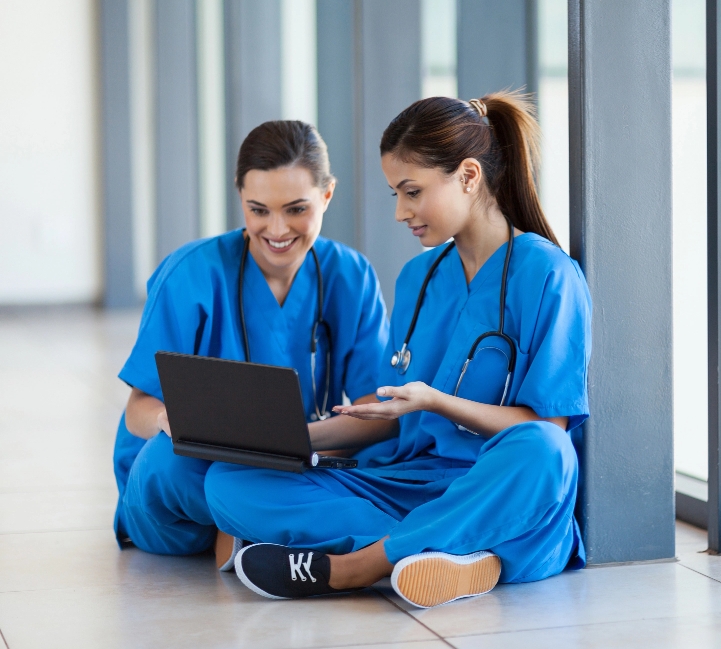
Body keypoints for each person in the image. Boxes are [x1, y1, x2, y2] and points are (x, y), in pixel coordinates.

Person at [205, 91, 593, 608]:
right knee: (229, 481)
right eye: (395, 194)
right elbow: (390, 418)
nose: (400, 212)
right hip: (408, 481)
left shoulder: (549, 276)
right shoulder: (419, 277)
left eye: (411, 192)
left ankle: (355, 566)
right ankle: (447, 551)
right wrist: (277, 439)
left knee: (546, 455)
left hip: (492, 481)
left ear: (469, 177)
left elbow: (547, 427)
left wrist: (436, 401)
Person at [113, 121, 390, 570]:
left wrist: (299, 446)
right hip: (192, 474)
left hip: (301, 458)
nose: (276, 229)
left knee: (390, 455)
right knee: (169, 463)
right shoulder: (190, 273)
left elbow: (374, 413)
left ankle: (256, 531)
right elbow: (138, 409)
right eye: (258, 210)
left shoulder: (351, 275)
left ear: (327, 195)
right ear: (240, 196)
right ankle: (282, 529)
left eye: (296, 209)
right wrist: (177, 423)